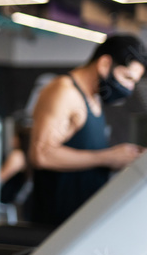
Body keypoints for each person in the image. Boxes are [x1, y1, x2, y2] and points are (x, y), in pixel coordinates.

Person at [28, 34, 147, 227]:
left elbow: (84, 152)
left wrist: (122, 158)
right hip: (56, 224)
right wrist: (107, 157)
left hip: (81, 220)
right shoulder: (64, 91)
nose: (129, 88)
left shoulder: (94, 96)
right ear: (104, 64)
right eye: (127, 77)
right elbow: (42, 155)